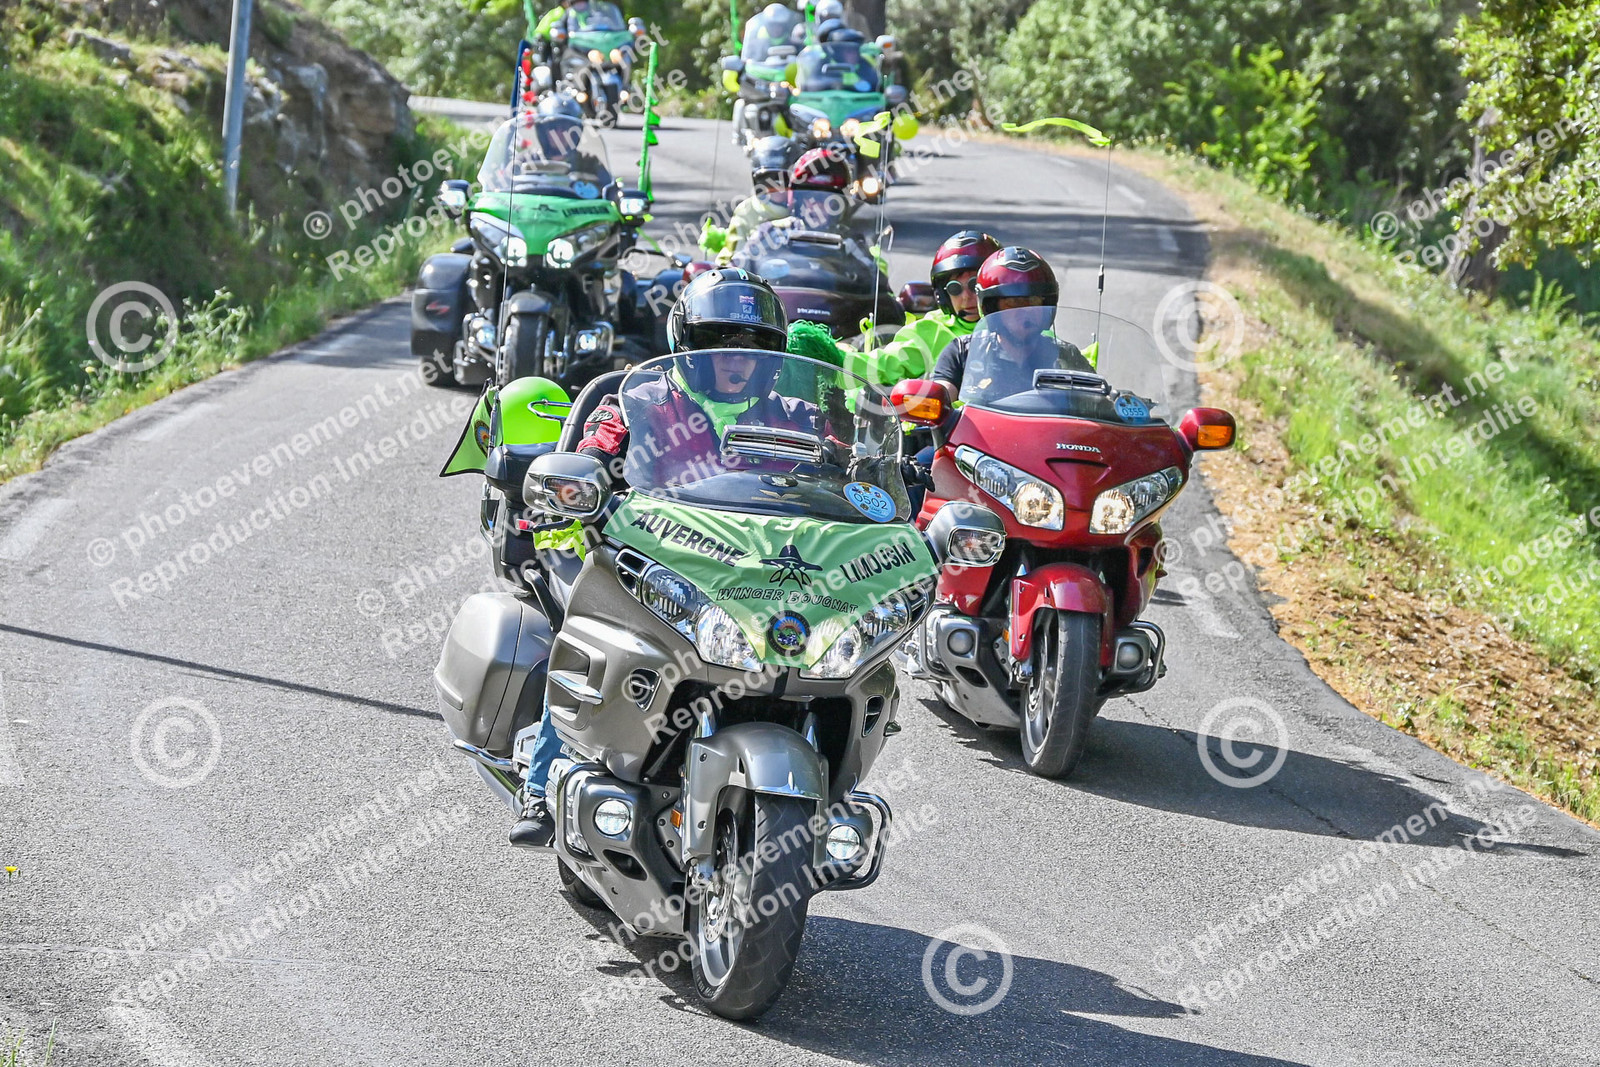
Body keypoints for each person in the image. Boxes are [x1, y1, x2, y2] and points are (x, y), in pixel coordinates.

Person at [508, 268, 804, 848]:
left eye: (753, 345)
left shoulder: (792, 414)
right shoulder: (637, 402)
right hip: (648, 561)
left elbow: (841, 469)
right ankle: (542, 783)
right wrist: (584, 479)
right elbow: (595, 451)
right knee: (590, 637)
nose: (736, 358)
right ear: (687, 346)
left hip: (754, 574)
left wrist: (883, 480)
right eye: (719, 341)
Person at [931, 246, 1093, 401]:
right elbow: (942, 392)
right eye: (1013, 303)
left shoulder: (1065, 356)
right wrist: (932, 398)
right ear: (991, 308)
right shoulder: (962, 352)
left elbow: (1098, 400)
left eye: (1033, 301)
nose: (1026, 311)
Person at [850, 229, 1000, 387]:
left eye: (974, 285)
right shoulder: (930, 332)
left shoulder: (1013, 325)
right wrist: (837, 358)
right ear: (942, 294)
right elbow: (884, 364)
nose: (965, 297)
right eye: (954, 288)